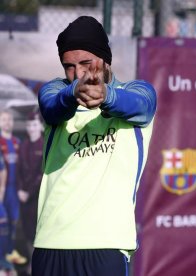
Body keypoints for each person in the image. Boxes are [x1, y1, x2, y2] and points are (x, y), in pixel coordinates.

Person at [32, 16, 157, 276]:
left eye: (86, 63)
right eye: (69, 66)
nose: (78, 74)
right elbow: (50, 107)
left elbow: (141, 105)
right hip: (49, 245)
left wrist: (107, 96)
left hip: (106, 248)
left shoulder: (136, 92)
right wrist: (73, 93)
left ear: (105, 59)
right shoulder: (57, 93)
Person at [17, 111, 44, 274]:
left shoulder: (44, 145)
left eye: (34, 125)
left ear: (40, 126)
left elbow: (41, 174)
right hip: (23, 197)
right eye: (28, 125)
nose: (31, 128)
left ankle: (35, 266)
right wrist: (20, 190)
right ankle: (31, 263)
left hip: (36, 198)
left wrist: (29, 192)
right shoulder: (24, 145)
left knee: (37, 233)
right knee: (26, 232)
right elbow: (19, 170)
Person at [0, 109, 27, 268]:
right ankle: (2, 255)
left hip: (15, 189)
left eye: (9, 119)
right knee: (2, 223)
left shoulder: (18, 142)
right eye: (4, 119)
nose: (7, 122)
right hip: (3, 189)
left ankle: (9, 252)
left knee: (13, 221)